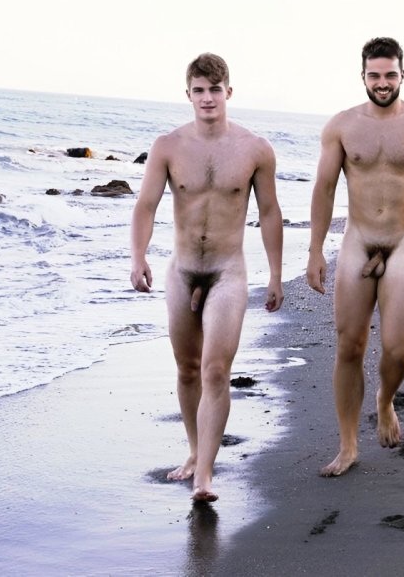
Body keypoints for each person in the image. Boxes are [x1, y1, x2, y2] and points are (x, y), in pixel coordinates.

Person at [308, 36, 404, 477]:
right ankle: (348, 445)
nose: (383, 83)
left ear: (402, 75)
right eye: (375, 75)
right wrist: (316, 250)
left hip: (403, 244)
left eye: (390, 75)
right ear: (362, 76)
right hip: (358, 241)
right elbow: (324, 187)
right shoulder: (341, 126)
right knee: (350, 345)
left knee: (399, 350)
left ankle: (385, 399)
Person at [130, 53, 284, 503]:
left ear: (228, 92)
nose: (208, 98)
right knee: (187, 368)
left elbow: (269, 212)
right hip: (181, 271)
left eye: (215, 89)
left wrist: (276, 275)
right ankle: (195, 452)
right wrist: (138, 257)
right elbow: (146, 205)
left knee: (216, 369)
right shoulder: (168, 146)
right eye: (199, 90)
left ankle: (205, 475)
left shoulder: (255, 149)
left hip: (227, 272)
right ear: (188, 95)